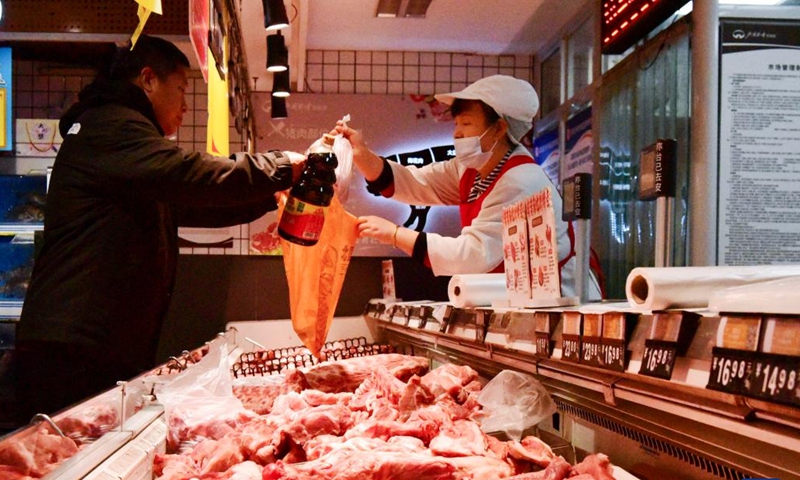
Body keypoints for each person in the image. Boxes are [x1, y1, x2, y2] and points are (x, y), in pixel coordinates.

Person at [12, 35, 305, 425]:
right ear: (148, 79)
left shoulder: (125, 143)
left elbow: (190, 204)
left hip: (90, 342)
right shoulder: (112, 128)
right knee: (60, 461)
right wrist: (281, 165)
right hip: (72, 348)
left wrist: (272, 194)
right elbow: (191, 175)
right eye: (182, 89)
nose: (186, 105)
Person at [335, 75, 601, 298]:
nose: (457, 133)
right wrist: (361, 153)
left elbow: (472, 254)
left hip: (561, 304)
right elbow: (417, 182)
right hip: (522, 299)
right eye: (456, 124)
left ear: (499, 129)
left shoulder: (520, 181)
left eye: (467, 123)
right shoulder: (473, 168)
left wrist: (394, 234)